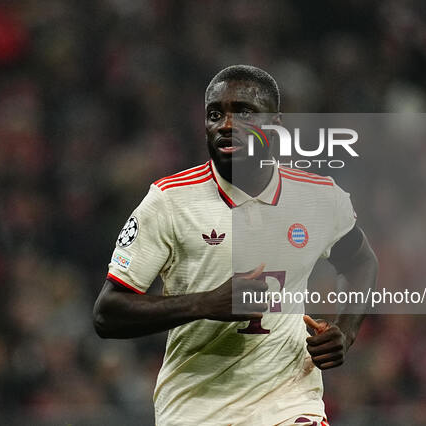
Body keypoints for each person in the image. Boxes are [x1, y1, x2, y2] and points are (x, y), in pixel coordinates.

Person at [93, 65, 378, 426]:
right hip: (195, 409)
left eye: (243, 112)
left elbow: (361, 262)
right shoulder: (168, 202)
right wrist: (206, 303)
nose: (226, 125)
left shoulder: (319, 197)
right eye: (215, 114)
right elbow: (108, 313)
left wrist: (346, 331)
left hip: (288, 403)